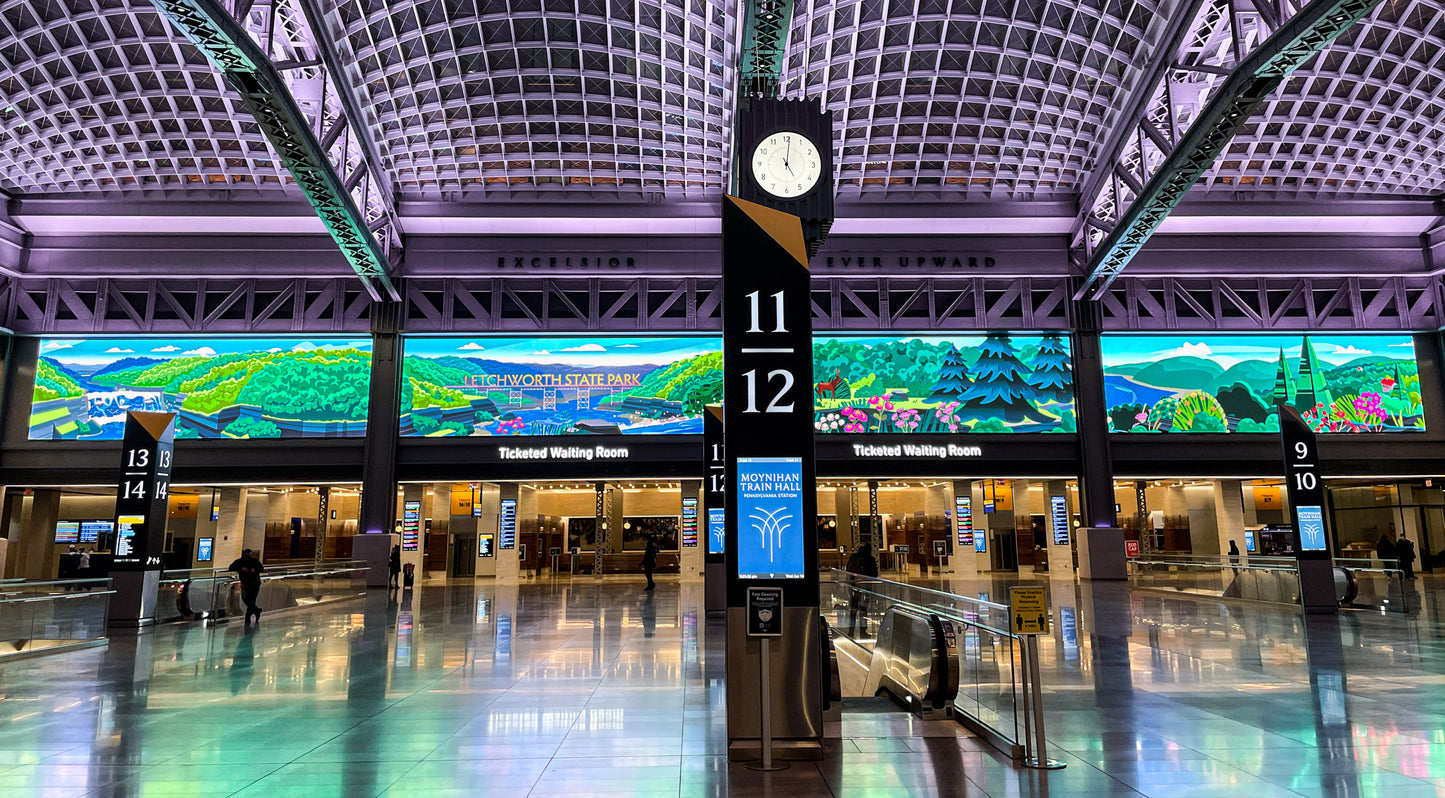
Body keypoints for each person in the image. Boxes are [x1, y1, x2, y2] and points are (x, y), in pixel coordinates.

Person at [227, 549, 265, 624]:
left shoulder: (246, 561)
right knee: (248, 600)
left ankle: (248, 618)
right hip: (251, 583)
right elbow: (231, 567)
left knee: (249, 600)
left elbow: (261, 569)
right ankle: (256, 611)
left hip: (251, 583)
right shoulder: (244, 561)